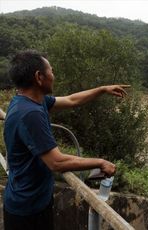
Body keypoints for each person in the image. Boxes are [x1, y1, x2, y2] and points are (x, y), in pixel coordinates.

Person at [3, 50, 130, 230]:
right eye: (51, 71)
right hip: (28, 209)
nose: (53, 76)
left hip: (29, 199)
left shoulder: (29, 102)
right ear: (39, 77)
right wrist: (100, 162)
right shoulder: (30, 113)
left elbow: (72, 100)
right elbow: (57, 162)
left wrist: (102, 89)